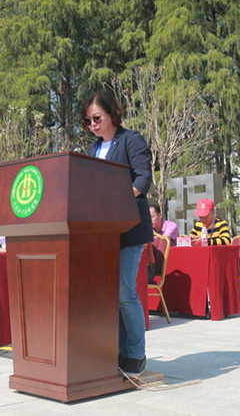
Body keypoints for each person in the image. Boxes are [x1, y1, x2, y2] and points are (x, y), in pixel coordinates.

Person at [81, 90, 153, 376]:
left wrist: (116, 202)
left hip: (129, 228)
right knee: (110, 296)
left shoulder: (131, 140)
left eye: (97, 118)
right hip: (102, 234)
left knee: (124, 293)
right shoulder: (92, 149)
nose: (93, 125)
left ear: (112, 114)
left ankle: (136, 354)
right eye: (88, 121)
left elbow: (143, 178)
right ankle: (118, 351)